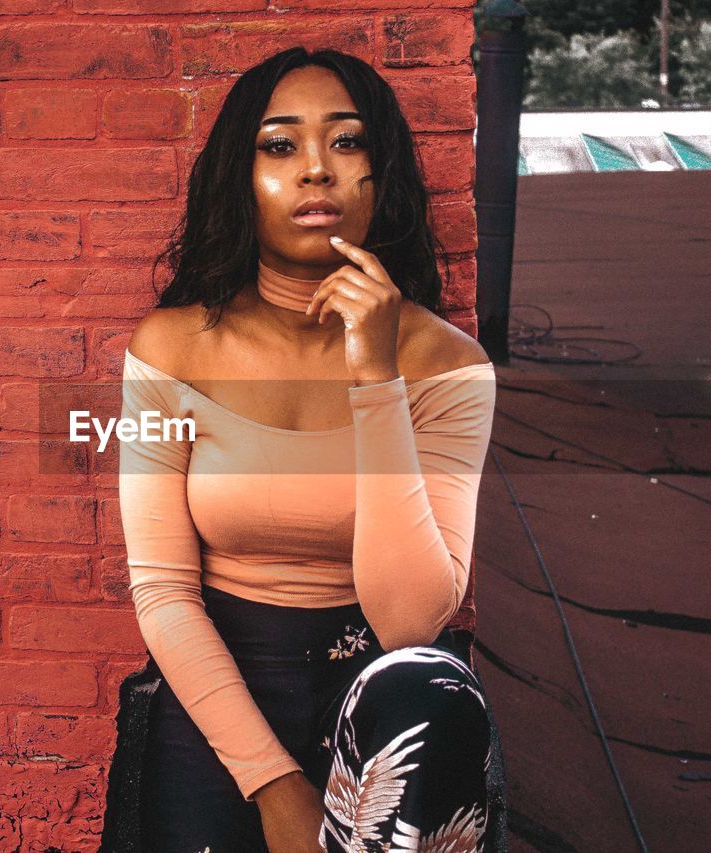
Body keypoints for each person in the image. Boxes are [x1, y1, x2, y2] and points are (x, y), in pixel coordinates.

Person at [116, 46, 498, 853]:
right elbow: (161, 592)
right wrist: (272, 781)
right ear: (239, 177)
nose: (315, 171)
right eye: (280, 145)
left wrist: (376, 378)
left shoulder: (452, 368)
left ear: (381, 175)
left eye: (347, 142)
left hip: (386, 694)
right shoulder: (168, 350)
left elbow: (411, 618)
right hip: (217, 695)